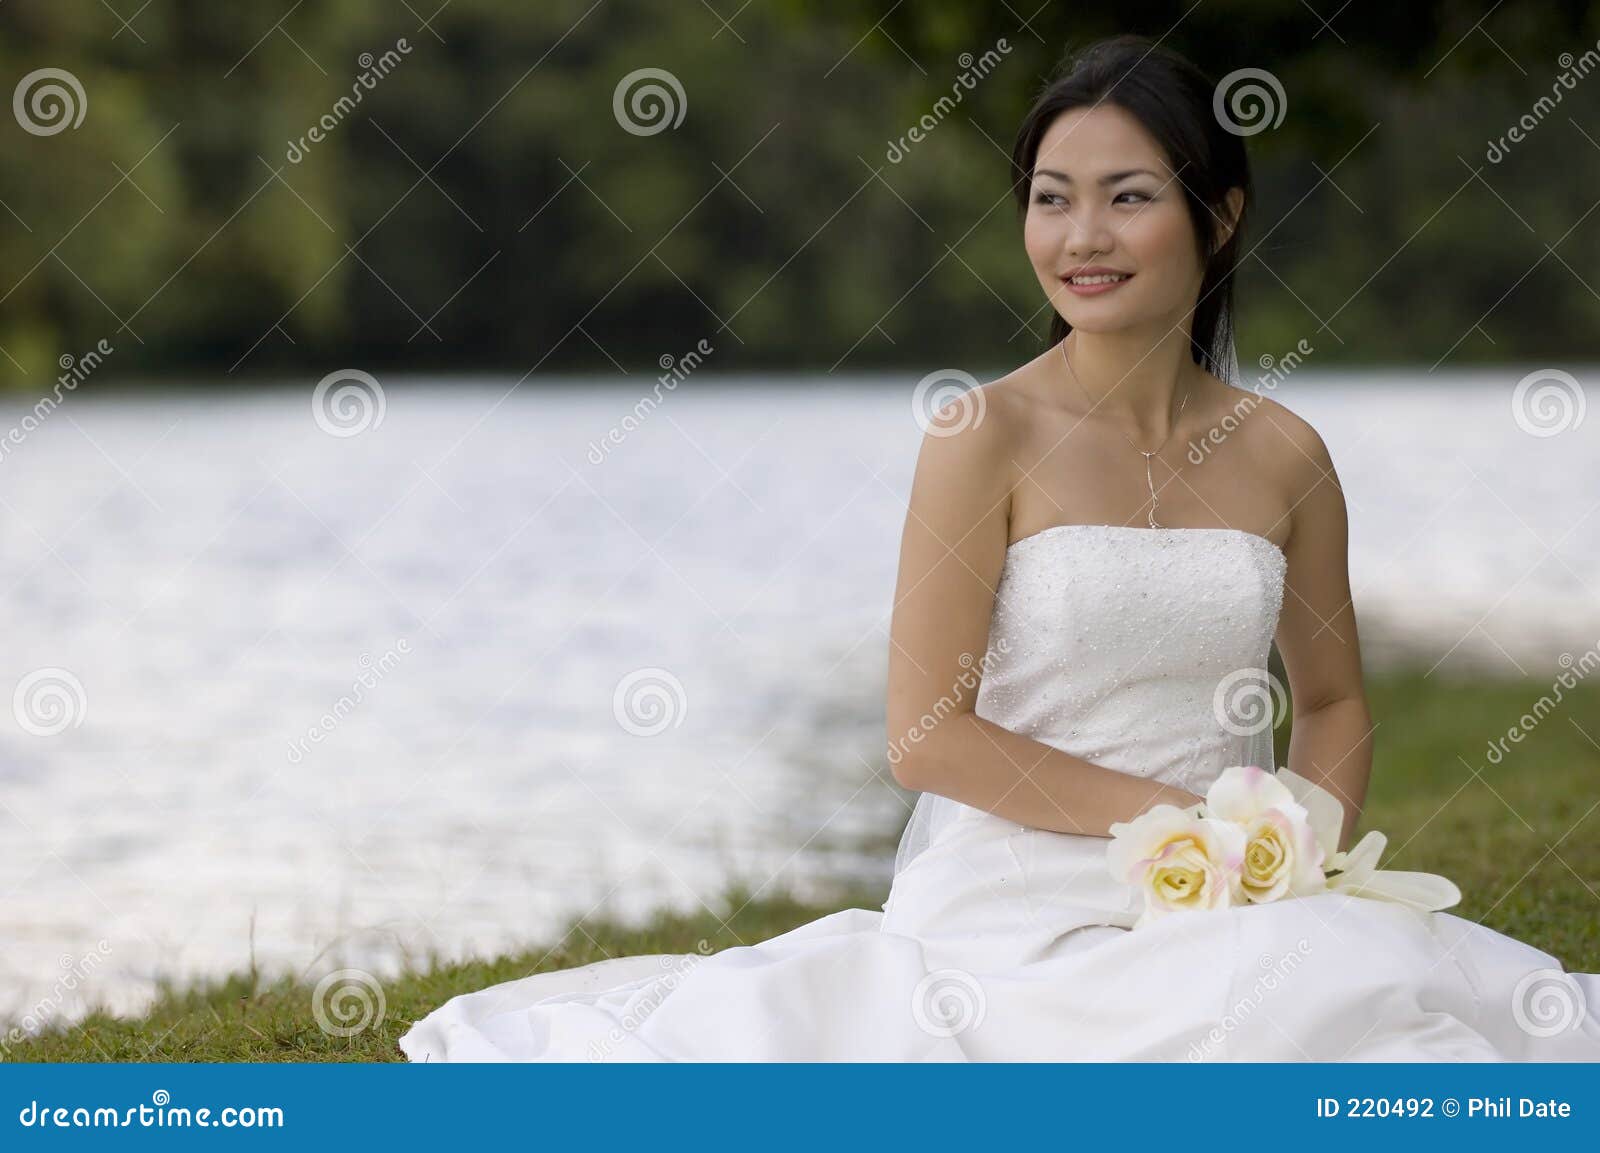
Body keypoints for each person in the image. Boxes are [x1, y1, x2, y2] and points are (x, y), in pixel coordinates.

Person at [398, 34, 1600, 1061]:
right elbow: (925, 734)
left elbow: (1331, 702)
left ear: (1216, 216)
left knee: (1362, 1002)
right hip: (1015, 889)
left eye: (1129, 194)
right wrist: (1177, 821)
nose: (1083, 233)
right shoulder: (984, 432)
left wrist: (1295, 857)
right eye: (1050, 194)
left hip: (1225, 890)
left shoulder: (1284, 452)